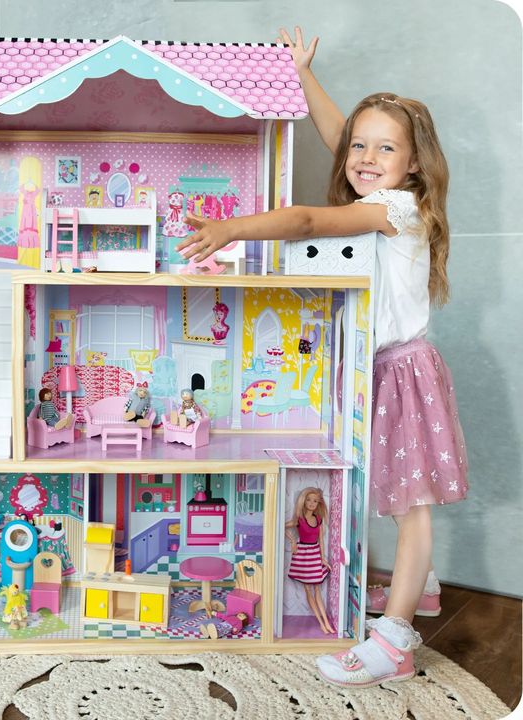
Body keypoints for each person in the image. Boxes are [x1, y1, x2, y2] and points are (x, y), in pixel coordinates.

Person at [176, 27, 468, 688]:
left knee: (411, 504)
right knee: (394, 492)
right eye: (361, 145)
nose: (364, 157)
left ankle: (395, 641)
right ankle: (419, 589)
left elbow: (308, 222)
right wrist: (305, 73)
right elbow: (346, 145)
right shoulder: (381, 189)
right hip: (384, 368)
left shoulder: (395, 208)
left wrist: (233, 229)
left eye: (385, 148)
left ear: (413, 164)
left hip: (402, 371)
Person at [285, 487, 334, 634]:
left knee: (317, 589)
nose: (312, 503)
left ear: (318, 503)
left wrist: (323, 558)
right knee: (308, 589)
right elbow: (282, 526)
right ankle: (321, 623)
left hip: (314, 553)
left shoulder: (318, 519)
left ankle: (326, 622)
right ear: (303, 501)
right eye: (309, 500)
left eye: (315, 501)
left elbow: (321, 540)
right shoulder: (299, 520)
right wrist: (293, 541)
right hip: (303, 555)